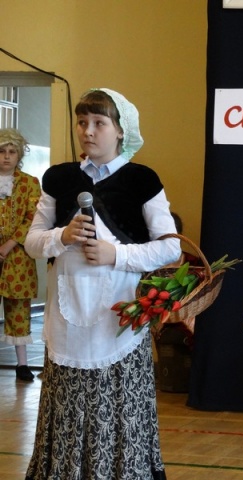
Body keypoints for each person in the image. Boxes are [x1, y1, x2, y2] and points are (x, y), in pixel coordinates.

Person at [24, 88, 181, 480]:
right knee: (68, 410)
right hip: (67, 324)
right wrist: (61, 236)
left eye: (99, 123)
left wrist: (117, 255)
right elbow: (32, 242)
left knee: (118, 413)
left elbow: (171, 249)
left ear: (120, 130)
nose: (88, 131)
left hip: (119, 325)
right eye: (82, 122)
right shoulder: (59, 178)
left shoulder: (141, 180)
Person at [0, 129, 40, 382]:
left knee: (18, 310)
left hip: (18, 256)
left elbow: (32, 217)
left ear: (19, 155)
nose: (6, 156)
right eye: (2, 151)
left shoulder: (29, 183)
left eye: (12, 152)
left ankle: (22, 364)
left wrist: (9, 244)